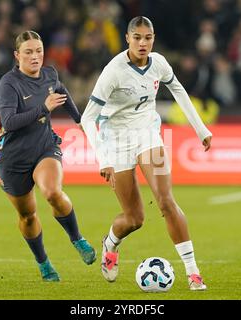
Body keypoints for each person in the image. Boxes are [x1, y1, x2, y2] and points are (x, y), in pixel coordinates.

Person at [81, 17, 212, 291]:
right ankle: (111, 243)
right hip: (116, 140)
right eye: (137, 37)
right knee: (134, 219)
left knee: (165, 201)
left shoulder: (159, 63)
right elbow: (87, 118)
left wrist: (200, 129)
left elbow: (177, 89)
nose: (143, 43)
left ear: (153, 38)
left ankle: (193, 273)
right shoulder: (113, 71)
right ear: (127, 38)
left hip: (146, 133)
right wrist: (103, 158)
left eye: (148, 37)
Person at [0, 30, 96, 282]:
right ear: (17, 55)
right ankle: (43, 263)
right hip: (13, 158)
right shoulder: (9, 83)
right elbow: (8, 122)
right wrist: (43, 108)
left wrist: (79, 120)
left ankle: (77, 239)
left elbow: (62, 91)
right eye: (28, 52)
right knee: (27, 215)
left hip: (44, 147)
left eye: (38, 51)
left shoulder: (50, 74)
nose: (35, 56)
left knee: (52, 192)